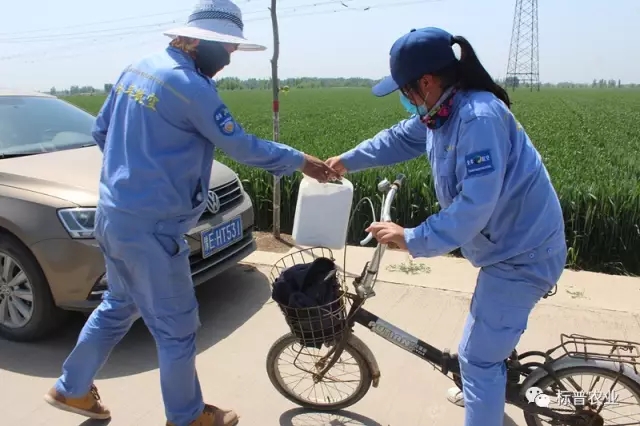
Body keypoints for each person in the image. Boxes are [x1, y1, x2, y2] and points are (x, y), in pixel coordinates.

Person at [42, 1, 339, 425]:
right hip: (152, 229)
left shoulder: (137, 69)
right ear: (199, 41)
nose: (229, 58)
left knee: (119, 304)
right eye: (227, 48)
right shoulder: (191, 87)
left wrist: (134, 175)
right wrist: (300, 160)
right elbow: (241, 146)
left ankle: (71, 388)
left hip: (113, 216)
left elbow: (101, 130)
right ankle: (187, 416)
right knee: (177, 329)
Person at [325, 27, 567, 426]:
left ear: (426, 82)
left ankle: (483, 385)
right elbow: (398, 139)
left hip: (523, 255)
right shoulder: (443, 112)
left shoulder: (477, 118)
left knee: (476, 359)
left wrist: (412, 237)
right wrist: (345, 161)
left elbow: (475, 206)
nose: (406, 99)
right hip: (508, 245)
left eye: (405, 90)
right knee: (486, 339)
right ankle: (487, 385)